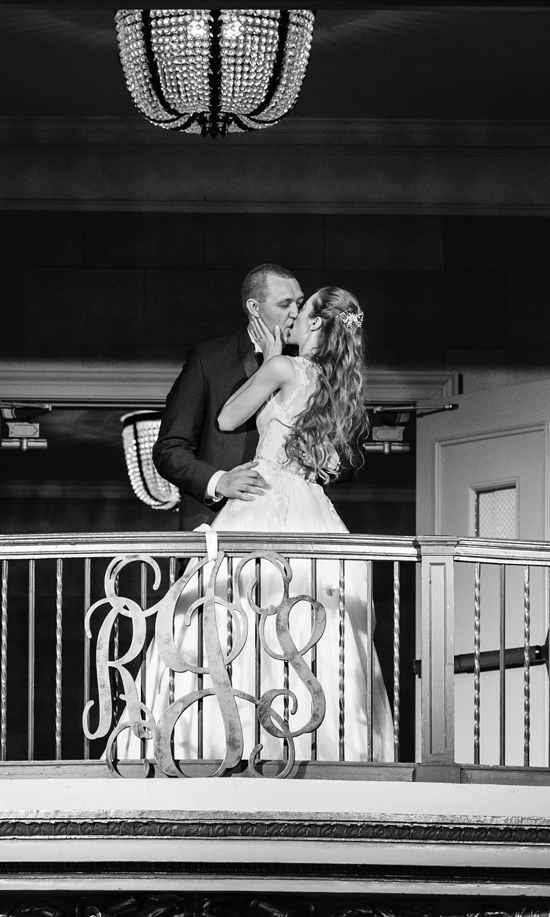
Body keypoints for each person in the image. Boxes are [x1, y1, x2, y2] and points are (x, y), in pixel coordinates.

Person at [116, 286, 396, 768]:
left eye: (302, 309)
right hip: (314, 509)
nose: (293, 316)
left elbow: (227, 419)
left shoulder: (283, 367)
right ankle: (318, 746)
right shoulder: (343, 388)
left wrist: (270, 359)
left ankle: (214, 741)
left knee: (231, 609)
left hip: (262, 499)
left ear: (314, 324)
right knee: (310, 622)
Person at [151, 264, 303, 529]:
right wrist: (219, 481)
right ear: (254, 307)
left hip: (292, 521)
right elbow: (170, 448)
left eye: (299, 303)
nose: (295, 313)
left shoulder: (306, 366)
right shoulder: (208, 360)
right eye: (285, 304)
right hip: (217, 523)